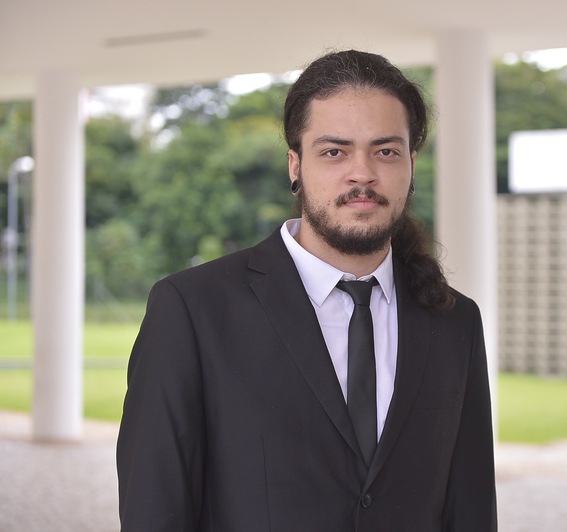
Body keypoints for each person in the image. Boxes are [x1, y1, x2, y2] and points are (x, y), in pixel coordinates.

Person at [117, 49, 497, 531]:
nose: (362, 173)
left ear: (411, 164)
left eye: (385, 151)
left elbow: (471, 508)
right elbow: (154, 509)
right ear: (295, 165)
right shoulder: (193, 310)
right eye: (334, 151)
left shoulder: (455, 321)